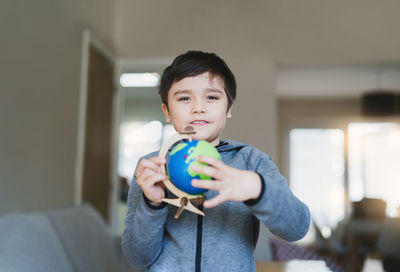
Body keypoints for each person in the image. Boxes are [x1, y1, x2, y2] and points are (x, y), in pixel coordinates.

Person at [122, 51, 310, 272]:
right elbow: (137, 257)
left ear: (228, 108)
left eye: (212, 97)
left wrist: (257, 188)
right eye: (184, 98)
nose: (198, 108)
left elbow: (297, 228)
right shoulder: (152, 167)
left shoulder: (251, 161)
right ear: (167, 111)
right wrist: (151, 204)